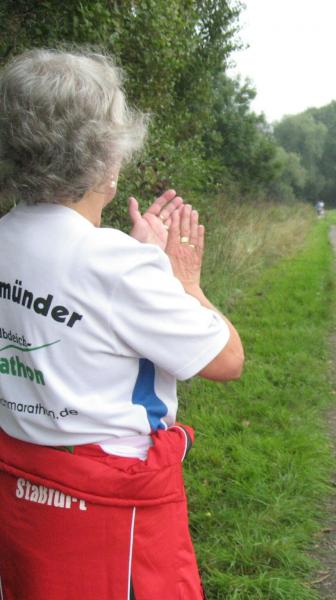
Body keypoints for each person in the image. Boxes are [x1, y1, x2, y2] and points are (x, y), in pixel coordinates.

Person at [0, 49, 244, 598]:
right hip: (113, 515)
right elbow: (227, 360)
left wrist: (141, 263)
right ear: (105, 158)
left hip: (22, 496)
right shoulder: (116, 266)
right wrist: (183, 281)